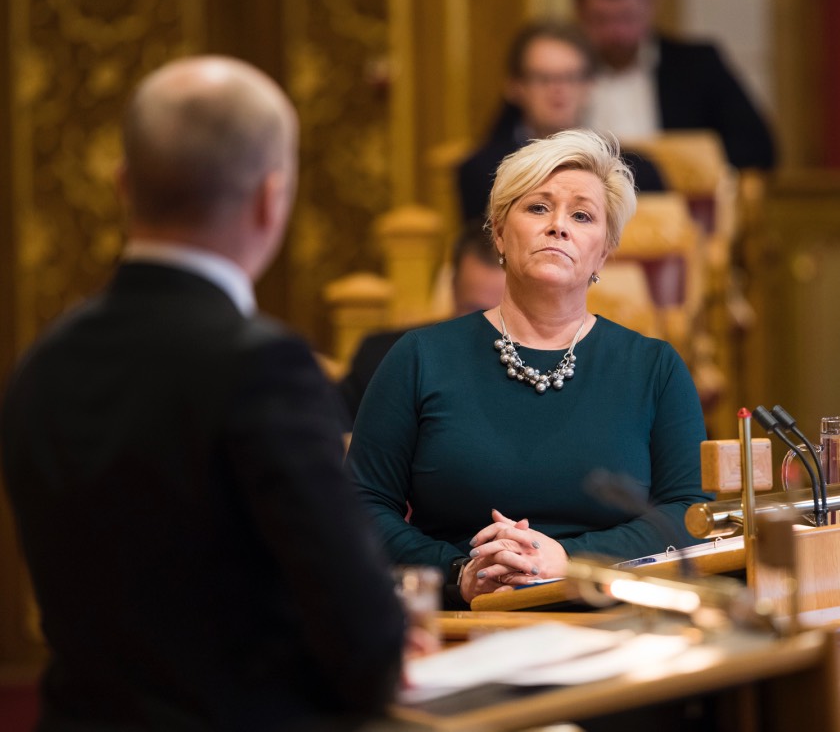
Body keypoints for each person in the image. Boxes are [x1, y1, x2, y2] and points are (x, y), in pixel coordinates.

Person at [0, 56, 406, 730]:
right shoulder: (264, 366)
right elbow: (367, 645)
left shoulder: (42, 360)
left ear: (122, 184)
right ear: (271, 197)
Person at [348, 128, 712, 608]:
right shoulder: (420, 358)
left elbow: (689, 514)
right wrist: (460, 571)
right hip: (465, 621)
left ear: (603, 251)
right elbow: (361, 506)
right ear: (499, 230)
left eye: (581, 215)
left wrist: (569, 560)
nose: (558, 225)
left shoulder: (655, 368)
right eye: (538, 207)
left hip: (614, 625)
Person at [457, 19, 666, 228]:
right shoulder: (482, 172)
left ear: (590, 85)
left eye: (570, 77)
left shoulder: (637, 172)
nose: (558, 89)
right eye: (543, 78)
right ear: (515, 87)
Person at [576, 0, 775, 169]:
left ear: (651, 4)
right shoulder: (563, 71)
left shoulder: (697, 66)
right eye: (601, 20)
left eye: (627, 17)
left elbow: (757, 148)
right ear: (580, 10)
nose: (616, 33)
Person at [339, 227, 506, 423]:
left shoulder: (543, 376)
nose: (488, 326)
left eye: (502, 314)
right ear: (452, 288)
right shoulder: (384, 358)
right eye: (474, 311)